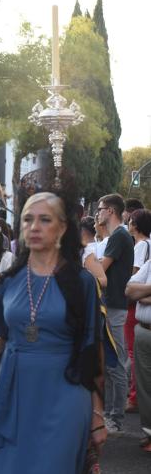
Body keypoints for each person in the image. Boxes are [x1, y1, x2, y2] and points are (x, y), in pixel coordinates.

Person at [0, 191, 106, 474]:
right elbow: (0, 342)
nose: (34, 227)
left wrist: (97, 414)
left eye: (45, 220)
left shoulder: (82, 283)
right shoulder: (9, 280)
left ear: (63, 228)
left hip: (65, 394)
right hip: (13, 392)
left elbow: (92, 351)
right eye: (28, 219)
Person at [97, 193, 134, 433]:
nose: (98, 212)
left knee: (117, 364)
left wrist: (87, 259)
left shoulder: (119, 236)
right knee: (111, 363)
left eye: (100, 208)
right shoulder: (119, 236)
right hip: (112, 306)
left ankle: (115, 418)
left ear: (110, 210)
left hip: (115, 307)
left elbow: (100, 271)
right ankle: (110, 414)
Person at [126, 209, 151, 415]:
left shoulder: (142, 245)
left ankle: (133, 397)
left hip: (137, 311)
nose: (128, 221)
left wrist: (138, 294)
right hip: (141, 315)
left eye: (131, 219)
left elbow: (133, 277)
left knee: (133, 354)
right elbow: (131, 286)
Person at [125, 254, 151, 453]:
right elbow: (129, 289)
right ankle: (149, 432)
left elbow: (136, 292)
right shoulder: (150, 264)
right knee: (144, 386)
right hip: (143, 330)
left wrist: (142, 294)